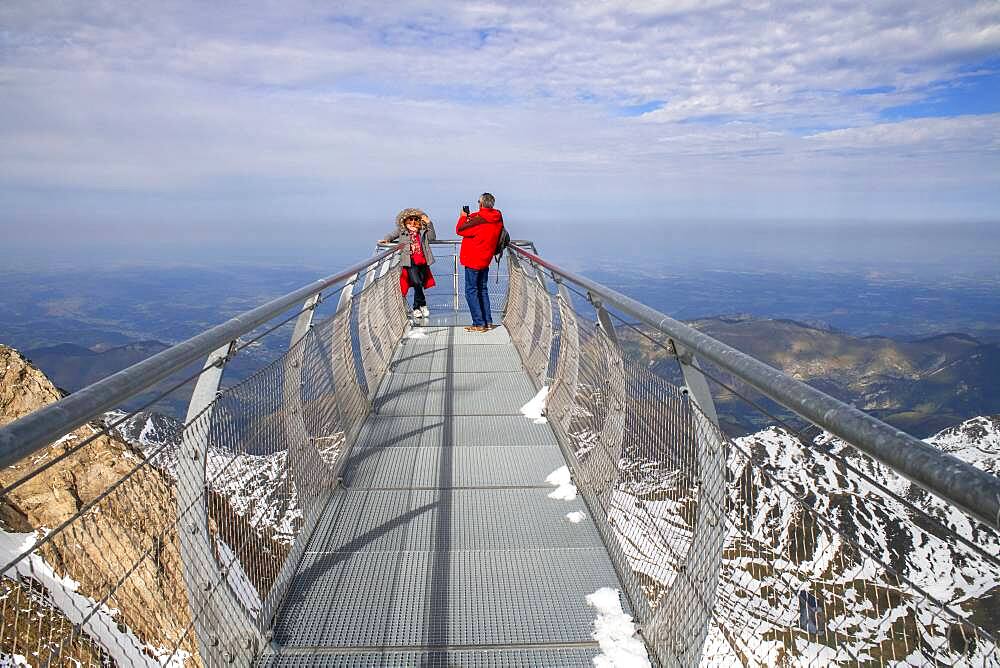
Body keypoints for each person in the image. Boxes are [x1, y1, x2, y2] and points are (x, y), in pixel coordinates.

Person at [456, 193, 504, 332]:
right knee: (482, 290)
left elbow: (460, 230)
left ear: (481, 204)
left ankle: (478, 323)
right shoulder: (497, 217)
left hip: (473, 259)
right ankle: (488, 321)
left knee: (471, 291)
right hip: (486, 258)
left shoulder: (478, 219)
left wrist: (463, 217)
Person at [381, 208, 436, 318]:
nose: (412, 223)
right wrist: (386, 239)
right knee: (417, 283)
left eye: (415, 220)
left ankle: (417, 307)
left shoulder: (423, 230)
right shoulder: (402, 231)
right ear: (405, 220)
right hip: (410, 261)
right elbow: (391, 235)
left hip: (423, 260)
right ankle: (422, 305)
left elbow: (432, 237)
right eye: (410, 220)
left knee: (419, 283)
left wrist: (429, 223)